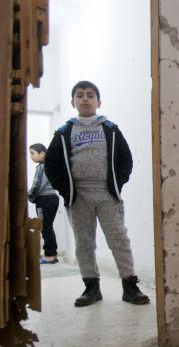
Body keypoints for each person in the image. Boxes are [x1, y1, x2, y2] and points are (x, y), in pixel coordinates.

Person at [44, 80, 150, 306]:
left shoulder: (110, 129)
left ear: (98, 102)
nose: (85, 98)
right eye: (80, 95)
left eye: (90, 95)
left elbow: (125, 160)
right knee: (84, 242)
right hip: (78, 197)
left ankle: (130, 286)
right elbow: (51, 165)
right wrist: (66, 190)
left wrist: (116, 184)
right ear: (72, 102)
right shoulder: (64, 132)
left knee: (119, 239)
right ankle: (91, 288)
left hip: (107, 196)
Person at [28, 143, 60, 264]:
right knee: (48, 226)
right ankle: (52, 253)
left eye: (32, 153)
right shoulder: (51, 165)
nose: (31, 156)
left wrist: (29, 196)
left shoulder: (42, 167)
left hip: (44, 199)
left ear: (42, 154)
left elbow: (37, 185)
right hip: (52, 198)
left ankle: (50, 255)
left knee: (44, 226)